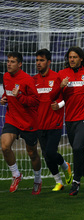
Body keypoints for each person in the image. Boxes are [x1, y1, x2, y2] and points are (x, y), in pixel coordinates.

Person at [50, 46, 84, 196]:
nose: (72, 60)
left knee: (78, 146)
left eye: (75, 57)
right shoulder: (62, 74)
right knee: (77, 149)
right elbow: (52, 96)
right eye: (70, 57)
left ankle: (76, 180)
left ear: (81, 58)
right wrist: (60, 87)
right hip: (70, 118)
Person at [1, 52, 42, 194]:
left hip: (28, 120)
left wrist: (20, 96)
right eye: (8, 61)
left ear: (20, 64)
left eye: (12, 62)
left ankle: (37, 179)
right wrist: (3, 98)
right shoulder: (6, 76)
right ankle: (16, 175)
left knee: (32, 153)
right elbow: (7, 93)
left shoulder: (27, 80)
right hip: (12, 118)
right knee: (5, 146)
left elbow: (36, 101)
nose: (9, 64)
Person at [33, 49, 72, 191]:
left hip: (54, 122)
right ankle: (59, 181)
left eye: (41, 60)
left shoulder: (58, 77)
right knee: (46, 155)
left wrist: (59, 105)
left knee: (50, 152)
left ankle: (65, 166)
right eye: (37, 60)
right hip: (39, 123)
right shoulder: (34, 80)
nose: (38, 63)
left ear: (49, 62)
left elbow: (67, 98)